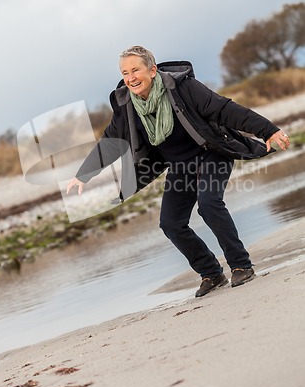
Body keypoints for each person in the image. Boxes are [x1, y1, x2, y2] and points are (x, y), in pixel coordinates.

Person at [67, 46, 290, 297]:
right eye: (125, 72)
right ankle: (211, 273)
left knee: (209, 205)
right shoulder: (127, 105)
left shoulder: (183, 88)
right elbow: (111, 141)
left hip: (211, 154)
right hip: (180, 167)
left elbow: (225, 110)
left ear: (152, 70)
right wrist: (83, 174)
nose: (130, 77)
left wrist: (268, 130)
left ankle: (241, 265)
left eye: (135, 70)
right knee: (171, 223)